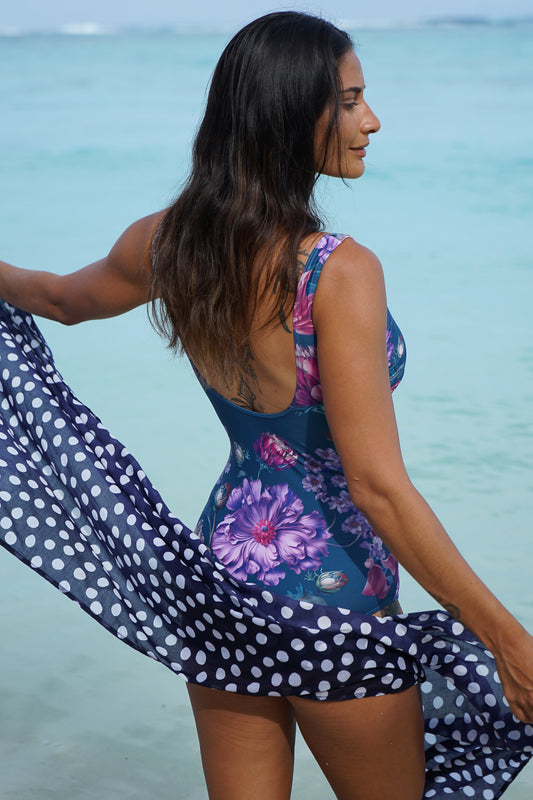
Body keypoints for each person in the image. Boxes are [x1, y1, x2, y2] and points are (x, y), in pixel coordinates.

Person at [0, 11, 532, 800]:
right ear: (290, 115)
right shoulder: (337, 272)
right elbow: (375, 488)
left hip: (222, 576)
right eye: (348, 101)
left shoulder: (167, 244)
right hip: (336, 599)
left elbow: (57, 300)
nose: (370, 120)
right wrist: (507, 639)